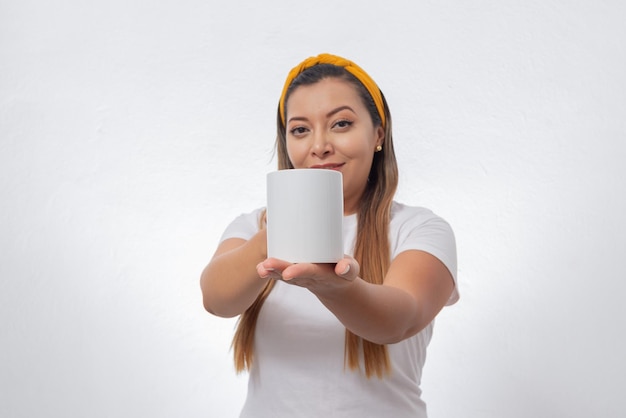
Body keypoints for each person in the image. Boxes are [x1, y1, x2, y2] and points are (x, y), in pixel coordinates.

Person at [201, 53, 459, 418]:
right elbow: (215, 299)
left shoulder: (418, 229)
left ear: (378, 135)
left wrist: (334, 286)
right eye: (300, 129)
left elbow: (399, 319)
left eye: (340, 124)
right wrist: (271, 237)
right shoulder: (252, 227)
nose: (319, 145)